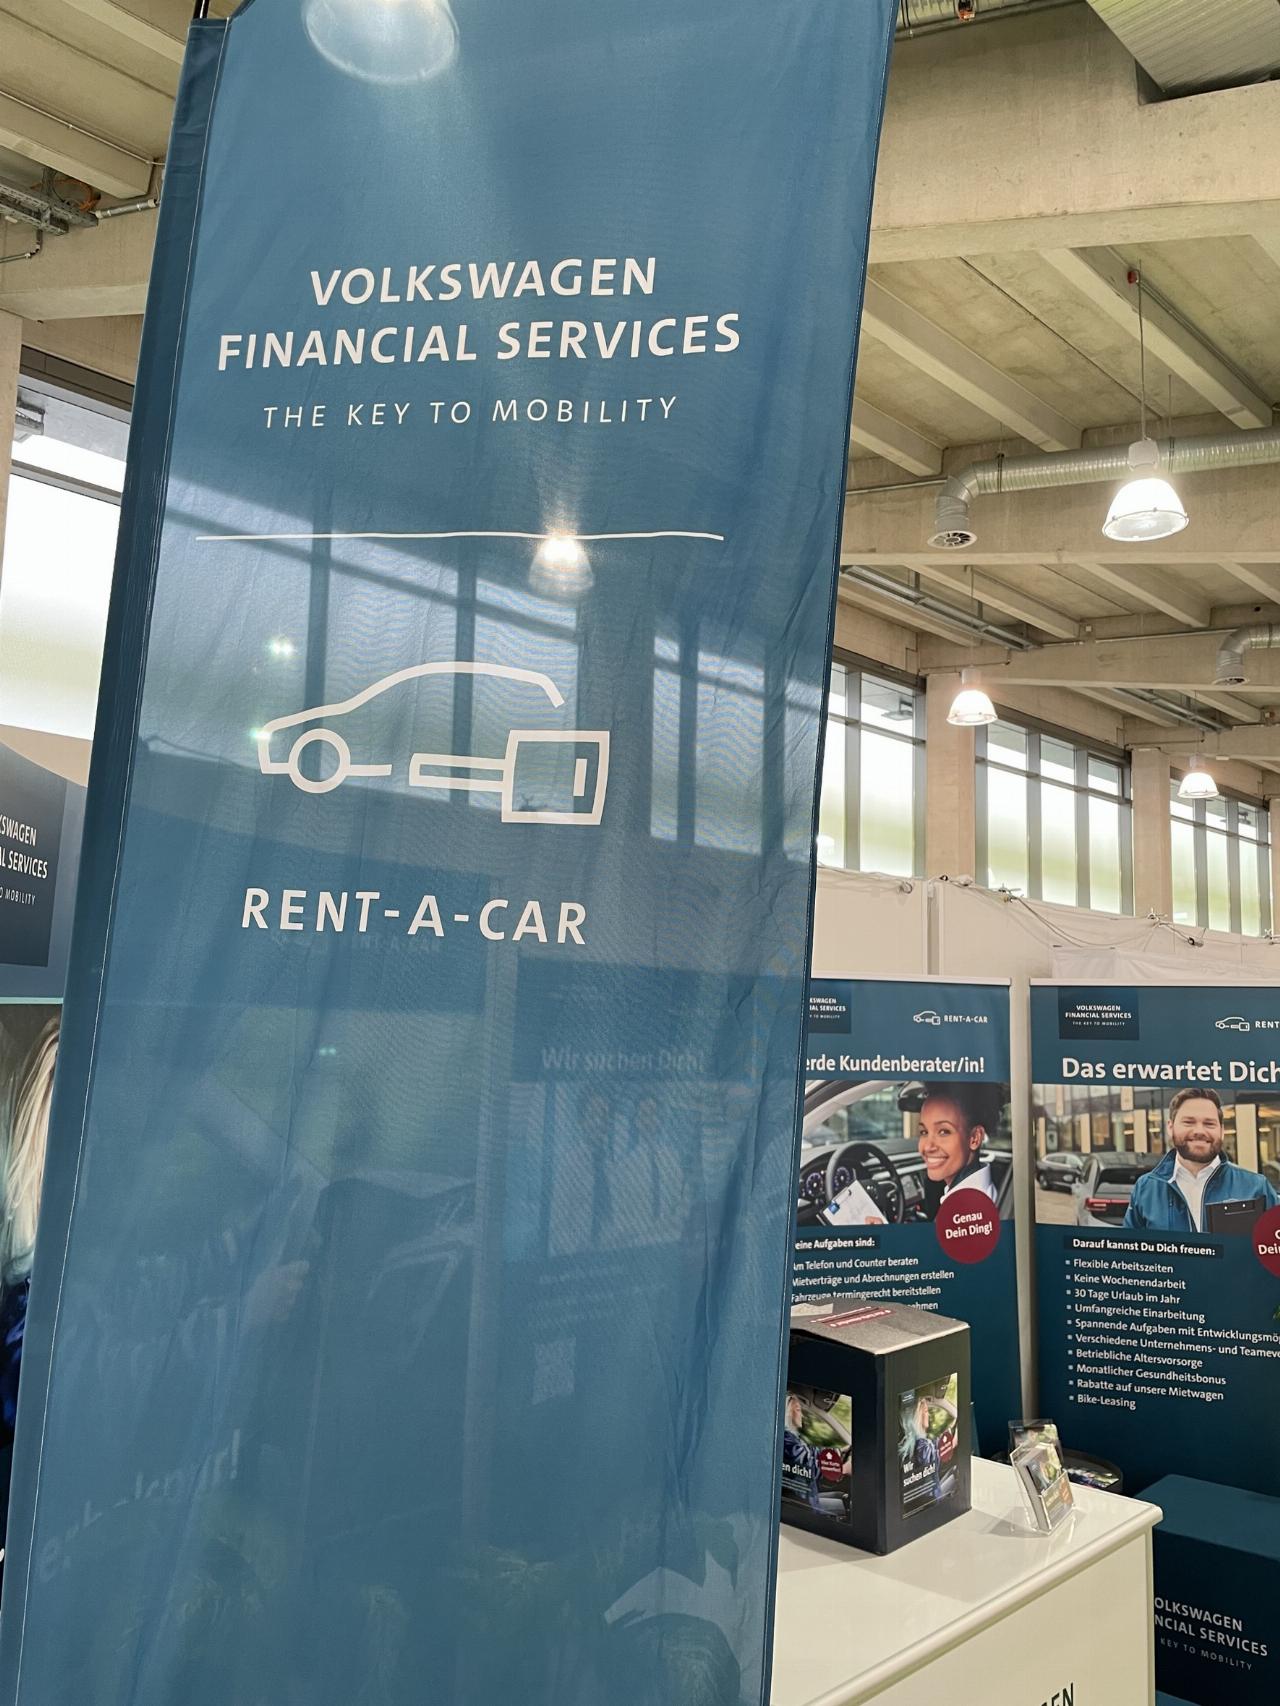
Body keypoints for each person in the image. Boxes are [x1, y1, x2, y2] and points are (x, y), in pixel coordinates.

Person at [1124, 1086, 1279, 1231]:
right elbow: (1130, 1248)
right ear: (1170, 1127)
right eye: (1188, 1122)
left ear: (1221, 1131)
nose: (1199, 1131)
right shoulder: (1146, 1189)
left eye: (1209, 1123)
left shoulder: (1256, 1188)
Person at [917, 1084, 998, 1207]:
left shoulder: (967, 1209)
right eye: (924, 1132)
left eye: (943, 1132)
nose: (928, 1147)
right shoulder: (977, 1193)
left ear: (975, 1138)